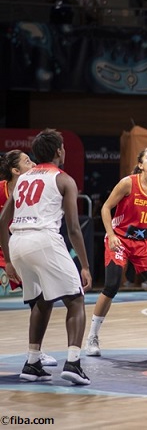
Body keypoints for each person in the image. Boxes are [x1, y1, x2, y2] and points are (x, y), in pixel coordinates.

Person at [0, 129, 93, 385]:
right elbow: (74, 228)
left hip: (18, 242)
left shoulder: (23, 179)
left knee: (41, 300)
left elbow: (1, 220)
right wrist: (84, 266)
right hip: (43, 239)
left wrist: (8, 260)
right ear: (59, 151)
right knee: (75, 299)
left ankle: (31, 363)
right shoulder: (64, 179)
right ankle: (73, 362)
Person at [85, 147, 147, 357]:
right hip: (120, 239)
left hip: (143, 242)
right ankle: (92, 337)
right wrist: (111, 235)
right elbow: (106, 208)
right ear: (140, 164)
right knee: (112, 285)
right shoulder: (128, 183)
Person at [0, 150, 59, 368]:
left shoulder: (37, 188)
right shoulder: (1, 190)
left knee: (39, 298)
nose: (34, 163)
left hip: (19, 247)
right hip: (6, 250)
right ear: (15, 171)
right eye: (27, 161)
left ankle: (36, 351)